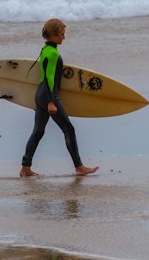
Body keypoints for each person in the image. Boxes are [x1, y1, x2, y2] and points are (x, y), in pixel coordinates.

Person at [20, 18, 98, 178]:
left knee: (38, 131)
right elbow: (49, 78)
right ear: (55, 35)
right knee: (68, 129)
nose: (64, 37)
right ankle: (79, 167)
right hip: (49, 95)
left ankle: (25, 168)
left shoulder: (45, 50)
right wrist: (50, 101)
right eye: (62, 33)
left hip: (40, 94)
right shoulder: (53, 53)